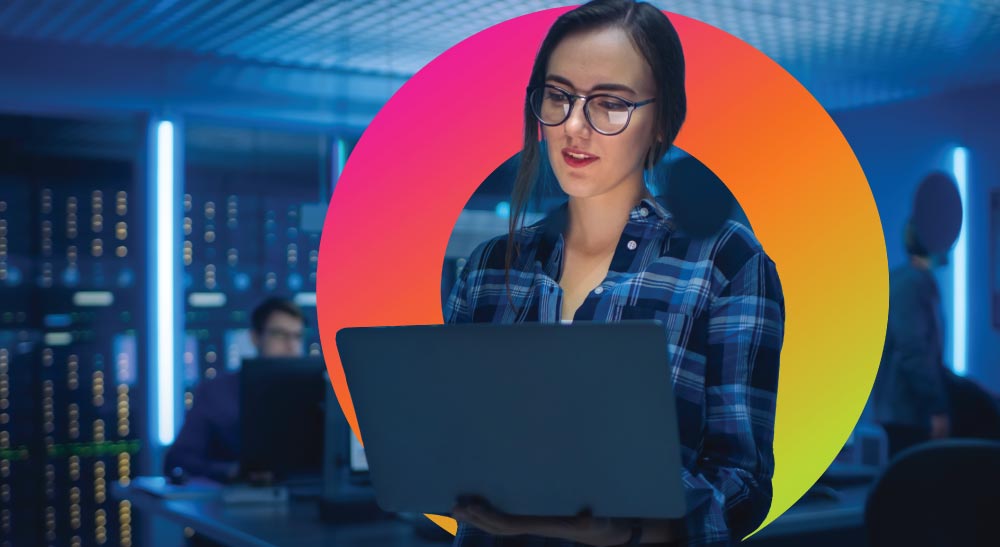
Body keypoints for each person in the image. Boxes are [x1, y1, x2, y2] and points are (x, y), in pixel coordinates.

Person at [445, 1, 785, 545]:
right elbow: (453, 450)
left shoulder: (723, 262)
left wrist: (625, 528)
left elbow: (741, 485)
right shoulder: (488, 269)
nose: (574, 126)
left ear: (662, 120)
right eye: (558, 97)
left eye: (611, 104)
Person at [163, 297, 306, 482]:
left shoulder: (319, 390)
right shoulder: (216, 392)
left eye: (297, 336)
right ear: (255, 337)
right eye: (280, 335)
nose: (291, 346)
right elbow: (178, 460)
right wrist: (230, 471)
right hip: (238, 500)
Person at [873, 222, 951, 459]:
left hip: (900, 411)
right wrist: (937, 407)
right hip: (908, 414)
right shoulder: (914, 283)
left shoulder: (903, 279)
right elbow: (913, 350)